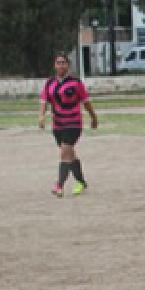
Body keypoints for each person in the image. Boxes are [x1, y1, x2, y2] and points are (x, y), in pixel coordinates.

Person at [39, 52, 98, 197]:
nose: (60, 65)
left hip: (73, 124)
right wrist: (41, 116)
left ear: (68, 65)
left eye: (63, 62)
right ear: (54, 65)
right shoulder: (49, 83)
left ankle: (59, 185)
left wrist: (93, 117)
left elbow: (86, 102)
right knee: (70, 154)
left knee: (65, 153)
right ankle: (81, 181)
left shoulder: (76, 83)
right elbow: (44, 101)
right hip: (57, 124)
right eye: (58, 62)